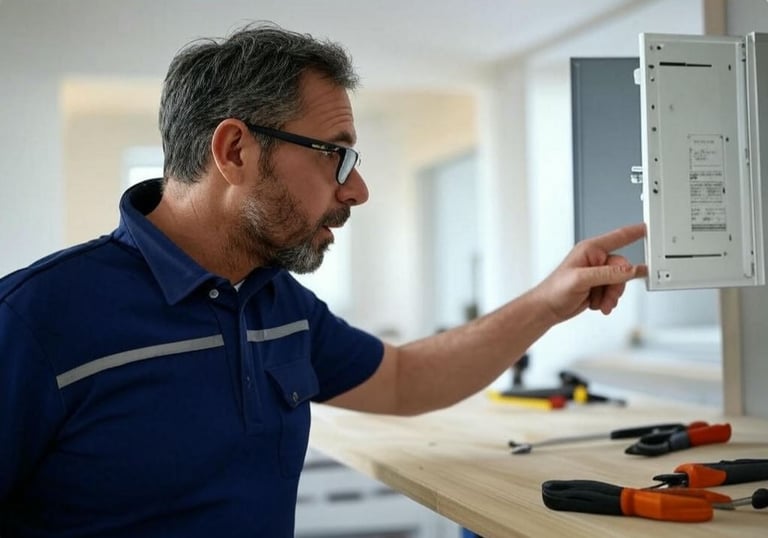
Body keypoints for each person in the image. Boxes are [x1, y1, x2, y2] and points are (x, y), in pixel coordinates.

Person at [0, 22, 646, 538]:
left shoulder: (277, 303)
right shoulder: (34, 320)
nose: (357, 189)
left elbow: (405, 379)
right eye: (336, 155)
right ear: (235, 151)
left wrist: (548, 302)